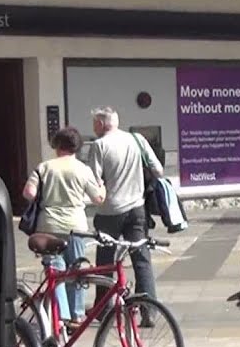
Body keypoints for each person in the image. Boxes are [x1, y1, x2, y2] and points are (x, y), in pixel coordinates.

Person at [22, 127, 106, 329]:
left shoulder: (44, 167)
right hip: (75, 226)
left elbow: (28, 193)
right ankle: (77, 315)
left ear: (57, 145)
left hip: (48, 226)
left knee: (55, 272)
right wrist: (101, 186)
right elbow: (98, 198)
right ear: (76, 147)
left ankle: (60, 316)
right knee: (75, 271)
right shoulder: (83, 169)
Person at [82, 106, 163, 314]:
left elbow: (93, 179)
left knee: (106, 262)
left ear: (101, 124)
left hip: (110, 211)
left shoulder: (99, 145)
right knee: (141, 258)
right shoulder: (137, 139)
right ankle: (149, 311)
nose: (93, 127)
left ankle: (103, 308)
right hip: (137, 209)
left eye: (94, 123)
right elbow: (158, 170)